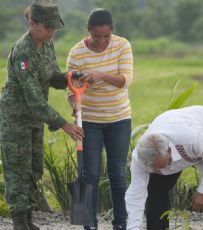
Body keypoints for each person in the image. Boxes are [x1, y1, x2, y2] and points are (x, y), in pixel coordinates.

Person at [0, 1, 84, 229]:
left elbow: (51, 75)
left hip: (35, 119)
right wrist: (65, 125)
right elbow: (34, 98)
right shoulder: (23, 51)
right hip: (15, 118)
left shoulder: (47, 44)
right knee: (18, 170)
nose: (51, 31)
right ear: (31, 22)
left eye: (54, 27)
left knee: (35, 168)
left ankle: (29, 221)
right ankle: (19, 222)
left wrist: (68, 78)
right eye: (47, 27)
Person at [125, 106, 203, 230]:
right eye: (154, 168)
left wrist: (202, 191)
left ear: (169, 150)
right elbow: (136, 194)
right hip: (173, 125)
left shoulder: (193, 139)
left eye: (161, 166)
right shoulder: (140, 159)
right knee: (154, 189)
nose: (158, 171)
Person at [66, 8, 134, 230]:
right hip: (90, 121)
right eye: (97, 36)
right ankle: (90, 225)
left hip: (119, 119)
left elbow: (125, 80)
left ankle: (120, 224)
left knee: (117, 173)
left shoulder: (122, 45)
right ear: (88, 32)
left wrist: (100, 75)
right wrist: (75, 106)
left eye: (106, 36)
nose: (102, 41)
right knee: (90, 175)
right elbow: (71, 89)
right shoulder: (76, 54)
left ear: (112, 32)